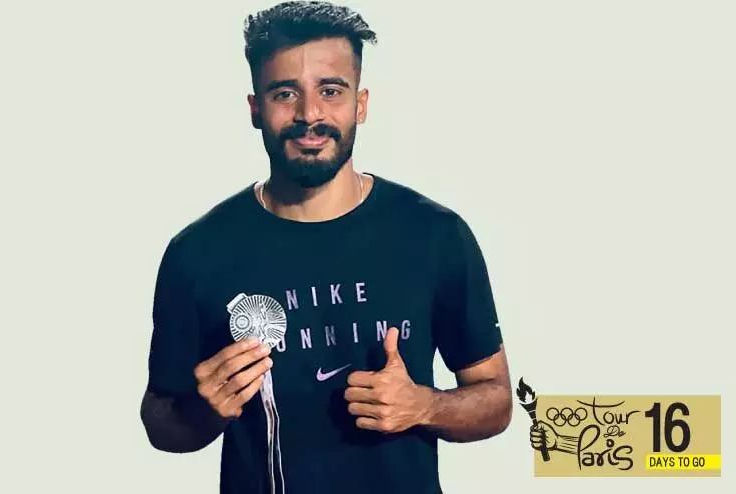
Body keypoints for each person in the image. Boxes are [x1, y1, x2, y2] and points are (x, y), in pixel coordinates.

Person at [140, 2, 513, 493]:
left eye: (330, 91)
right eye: (285, 93)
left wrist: (424, 405)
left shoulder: (435, 235)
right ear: (255, 109)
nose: (309, 114)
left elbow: (497, 400)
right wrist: (203, 412)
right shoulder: (197, 254)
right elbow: (160, 421)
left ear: (361, 104)